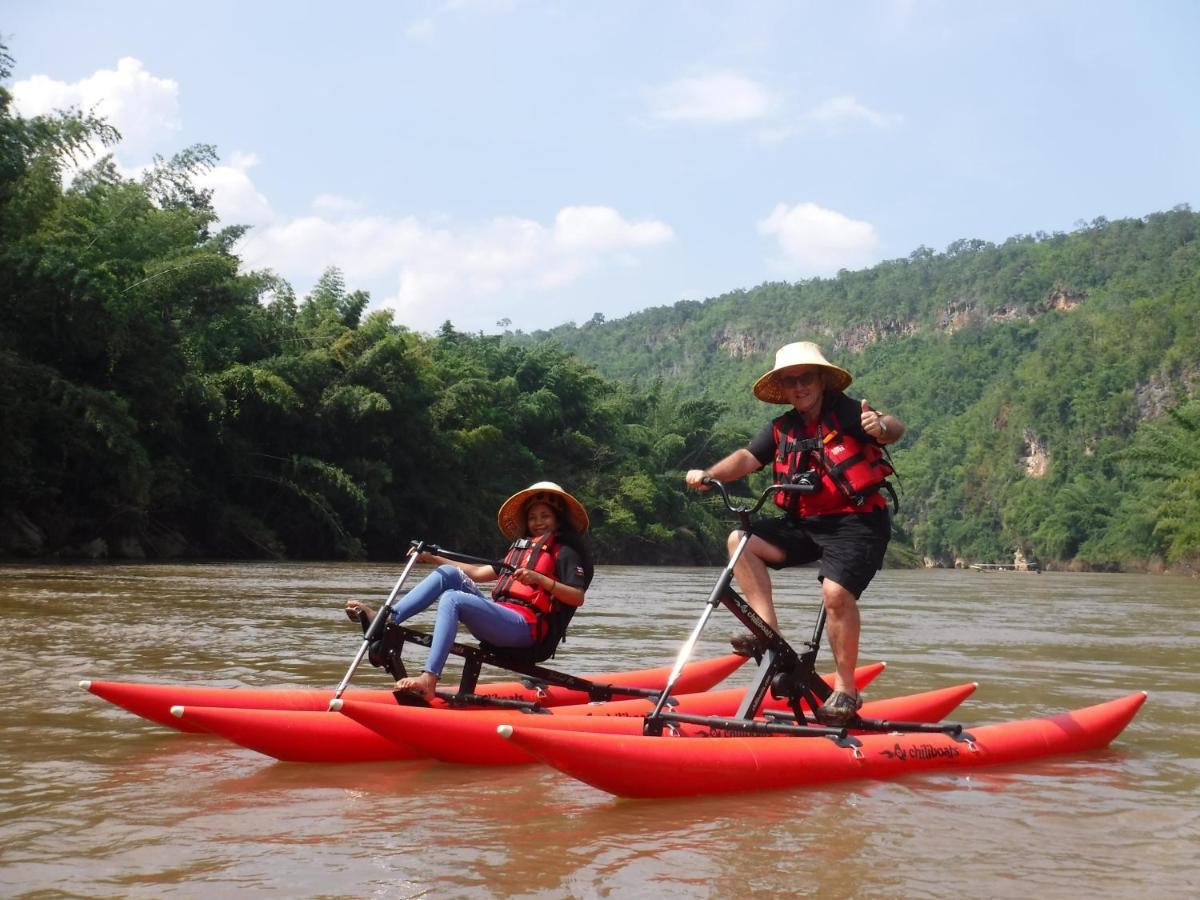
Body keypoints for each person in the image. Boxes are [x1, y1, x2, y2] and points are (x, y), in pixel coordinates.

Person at [684, 341, 904, 726]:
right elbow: (747, 458)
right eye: (790, 381)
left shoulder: (849, 412)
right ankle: (768, 631)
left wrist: (881, 426)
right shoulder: (781, 428)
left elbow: (892, 428)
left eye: (805, 378)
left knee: (835, 594)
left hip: (857, 523)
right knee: (741, 542)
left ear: (821, 381)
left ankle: (847, 690)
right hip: (805, 526)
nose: (799, 387)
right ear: (783, 389)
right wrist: (711, 474)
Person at [345, 481, 594, 702]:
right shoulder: (520, 550)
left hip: (525, 629)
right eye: (533, 517)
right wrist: (434, 558)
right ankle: (387, 620)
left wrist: (540, 579)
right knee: (450, 576)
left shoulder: (566, 552)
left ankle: (429, 679)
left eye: (545, 516)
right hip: (501, 617)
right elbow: (475, 574)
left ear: (558, 519)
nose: (538, 522)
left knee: (453, 599)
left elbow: (577, 596)